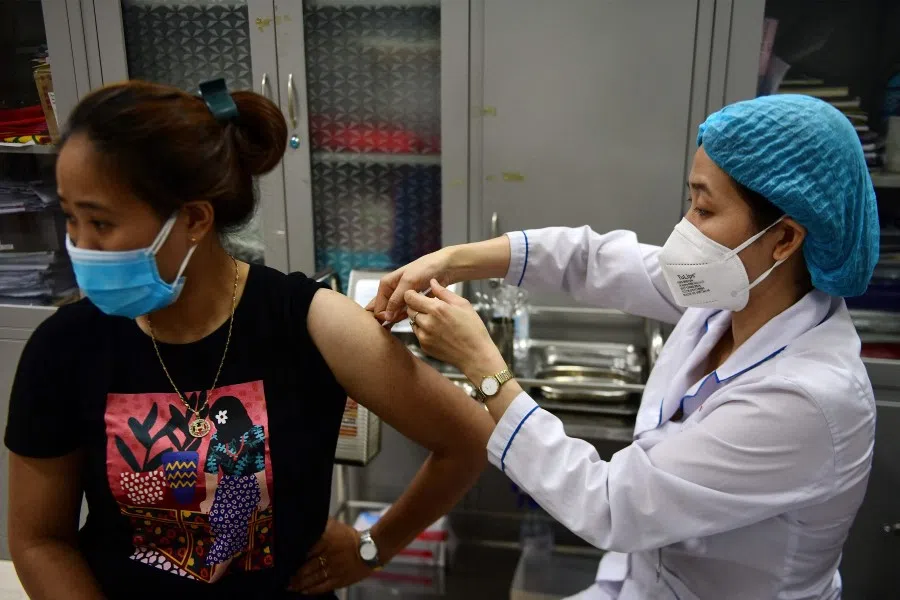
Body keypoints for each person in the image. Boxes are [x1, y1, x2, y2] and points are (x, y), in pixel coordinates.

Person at [369, 94, 880, 600]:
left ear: (785, 239)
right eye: (691, 201)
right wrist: (455, 260)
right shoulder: (732, 293)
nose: (686, 227)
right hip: (645, 583)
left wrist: (485, 369)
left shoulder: (807, 398)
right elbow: (592, 261)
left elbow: (611, 505)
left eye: (704, 208)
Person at [4, 79, 495, 600]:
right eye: (71, 218)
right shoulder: (63, 349)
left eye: (100, 222)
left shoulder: (311, 324)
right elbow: (39, 540)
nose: (81, 246)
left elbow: (468, 440)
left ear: (193, 219)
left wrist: (374, 546)